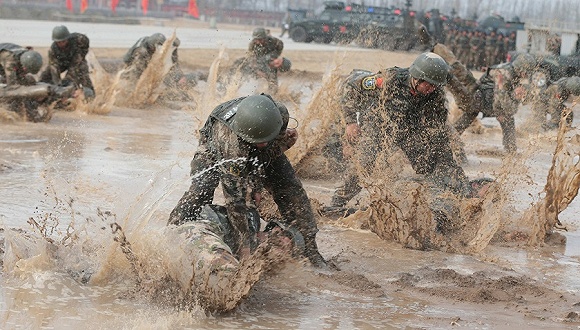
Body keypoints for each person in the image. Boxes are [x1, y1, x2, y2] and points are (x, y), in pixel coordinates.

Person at [168, 94, 326, 267]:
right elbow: (235, 203)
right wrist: (245, 249)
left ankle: (311, 248)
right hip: (214, 146)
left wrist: (257, 182)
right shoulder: (231, 146)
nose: (260, 145)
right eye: (258, 142)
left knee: (291, 189)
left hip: (262, 140)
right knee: (201, 190)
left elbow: (268, 152)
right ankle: (173, 228)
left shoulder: (280, 115)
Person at [330, 52, 476, 209]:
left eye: (435, 85)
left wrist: (447, 164)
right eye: (428, 84)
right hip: (379, 126)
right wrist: (350, 122)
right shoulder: (390, 79)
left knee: (433, 163)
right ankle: (338, 202)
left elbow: (439, 135)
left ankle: (454, 198)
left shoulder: (436, 96)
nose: (431, 89)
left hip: (409, 131)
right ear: (417, 77)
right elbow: (351, 87)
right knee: (366, 163)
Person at [418, 25, 534, 153]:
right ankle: (433, 47)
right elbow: (499, 99)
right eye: (526, 72)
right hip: (477, 97)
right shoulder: (505, 74)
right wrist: (501, 112)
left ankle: (510, 150)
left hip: (478, 92)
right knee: (455, 70)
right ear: (521, 68)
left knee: (458, 69)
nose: (527, 75)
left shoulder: (513, 74)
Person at [39, 25, 95, 100]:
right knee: (46, 74)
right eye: (59, 42)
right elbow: (54, 67)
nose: (61, 44)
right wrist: (58, 86)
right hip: (62, 62)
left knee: (79, 74)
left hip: (76, 61)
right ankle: (44, 96)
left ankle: (90, 96)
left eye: (63, 41)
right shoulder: (53, 50)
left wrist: (81, 55)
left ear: (67, 38)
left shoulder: (79, 39)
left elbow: (86, 44)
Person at [244, 27, 291, 94]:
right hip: (258, 63)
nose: (258, 42)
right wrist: (258, 71)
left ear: (264, 38)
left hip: (269, 62)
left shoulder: (273, 41)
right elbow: (250, 59)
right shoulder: (252, 45)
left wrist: (275, 56)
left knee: (273, 85)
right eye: (256, 40)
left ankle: (272, 95)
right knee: (253, 78)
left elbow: (280, 45)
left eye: (260, 40)